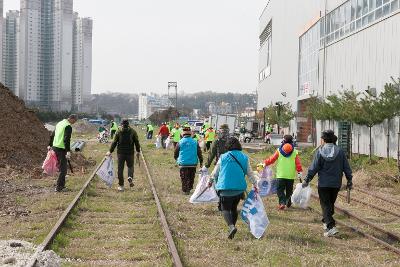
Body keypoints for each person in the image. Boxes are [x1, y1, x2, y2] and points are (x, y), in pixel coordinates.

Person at [302, 130, 353, 237]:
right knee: (329, 204)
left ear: (324, 139)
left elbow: (314, 167)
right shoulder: (340, 151)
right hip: (336, 184)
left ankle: (331, 227)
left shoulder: (320, 152)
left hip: (324, 183)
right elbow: (346, 167)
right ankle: (326, 221)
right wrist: (349, 179)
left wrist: (307, 179)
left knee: (325, 205)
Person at [208, 137, 258, 239]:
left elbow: (215, 172)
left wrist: (210, 181)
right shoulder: (244, 157)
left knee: (225, 208)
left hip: (225, 188)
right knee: (234, 208)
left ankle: (231, 226)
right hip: (239, 189)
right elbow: (250, 173)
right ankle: (232, 228)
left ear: (228, 146)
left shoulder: (223, 157)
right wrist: (255, 184)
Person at [264, 135, 303, 210]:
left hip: (280, 175)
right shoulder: (294, 152)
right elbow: (298, 163)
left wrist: (265, 163)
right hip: (290, 176)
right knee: (289, 191)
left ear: (283, 141)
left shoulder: (279, 151)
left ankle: (282, 203)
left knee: (280, 190)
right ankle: (288, 202)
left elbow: (272, 159)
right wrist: (299, 172)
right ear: (292, 141)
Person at [106, 119, 141, 192]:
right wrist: (138, 151)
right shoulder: (133, 131)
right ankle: (130, 177)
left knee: (120, 169)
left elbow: (114, 142)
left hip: (120, 153)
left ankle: (121, 185)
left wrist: (110, 151)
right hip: (130, 153)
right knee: (130, 166)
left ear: (122, 125)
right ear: (128, 124)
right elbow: (136, 142)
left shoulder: (118, 131)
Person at [48, 114, 78, 192]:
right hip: (61, 149)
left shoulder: (60, 123)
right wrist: (68, 151)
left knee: (61, 168)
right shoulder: (68, 126)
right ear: (72, 119)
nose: (74, 123)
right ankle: (59, 187)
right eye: (74, 121)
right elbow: (66, 139)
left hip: (55, 147)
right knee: (63, 169)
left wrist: (50, 144)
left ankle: (61, 185)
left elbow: (52, 135)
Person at [174, 126, 203, 194]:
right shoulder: (195, 142)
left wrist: (176, 159)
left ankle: (185, 190)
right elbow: (199, 153)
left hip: (183, 163)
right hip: (193, 163)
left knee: (184, 177)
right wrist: (201, 161)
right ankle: (189, 188)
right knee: (191, 176)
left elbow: (176, 153)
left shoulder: (180, 142)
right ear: (190, 134)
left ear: (183, 134)